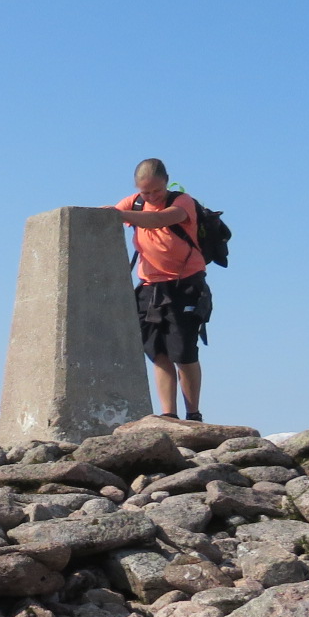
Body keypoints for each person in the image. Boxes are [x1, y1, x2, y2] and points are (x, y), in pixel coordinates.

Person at [115, 157, 211, 421]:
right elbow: (107, 214)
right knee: (157, 351)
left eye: (156, 191)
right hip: (149, 287)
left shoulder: (182, 202)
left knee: (184, 351)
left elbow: (159, 220)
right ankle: (168, 414)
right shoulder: (134, 202)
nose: (152, 196)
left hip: (186, 285)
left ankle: (193, 414)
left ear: (167, 183)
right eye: (146, 192)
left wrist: (120, 215)